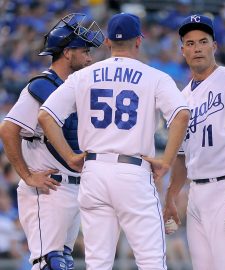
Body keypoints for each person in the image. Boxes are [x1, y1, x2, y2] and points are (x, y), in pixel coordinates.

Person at [37, 12, 190, 270]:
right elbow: (181, 114)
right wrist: (166, 160)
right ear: (139, 40)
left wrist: (70, 156)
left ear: (107, 42)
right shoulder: (154, 76)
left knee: (97, 263)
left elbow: (46, 116)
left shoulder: (83, 75)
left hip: (93, 171)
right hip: (132, 171)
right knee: (151, 261)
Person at [0, 13, 104, 270]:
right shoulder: (42, 87)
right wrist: (27, 175)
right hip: (47, 189)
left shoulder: (74, 88)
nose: (89, 57)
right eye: (84, 50)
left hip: (72, 188)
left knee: (63, 261)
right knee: (50, 263)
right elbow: (7, 129)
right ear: (67, 53)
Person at [163, 14, 225, 270]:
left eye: (203, 41)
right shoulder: (182, 97)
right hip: (196, 193)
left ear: (214, 46)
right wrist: (171, 197)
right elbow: (181, 156)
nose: (197, 48)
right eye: (190, 43)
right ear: (183, 50)